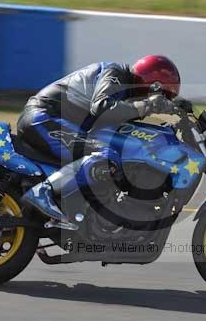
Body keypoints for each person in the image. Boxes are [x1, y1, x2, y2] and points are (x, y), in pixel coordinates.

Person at [18, 55, 190, 223]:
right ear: (153, 86)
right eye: (161, 96)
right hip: (43, 118)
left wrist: (178, 107)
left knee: (115, 155)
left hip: (56, 122)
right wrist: (148, 105)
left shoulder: (125, 94)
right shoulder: (115, 73)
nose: (155, 102)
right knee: (106, 156)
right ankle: (44, 192)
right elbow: (100, 107)